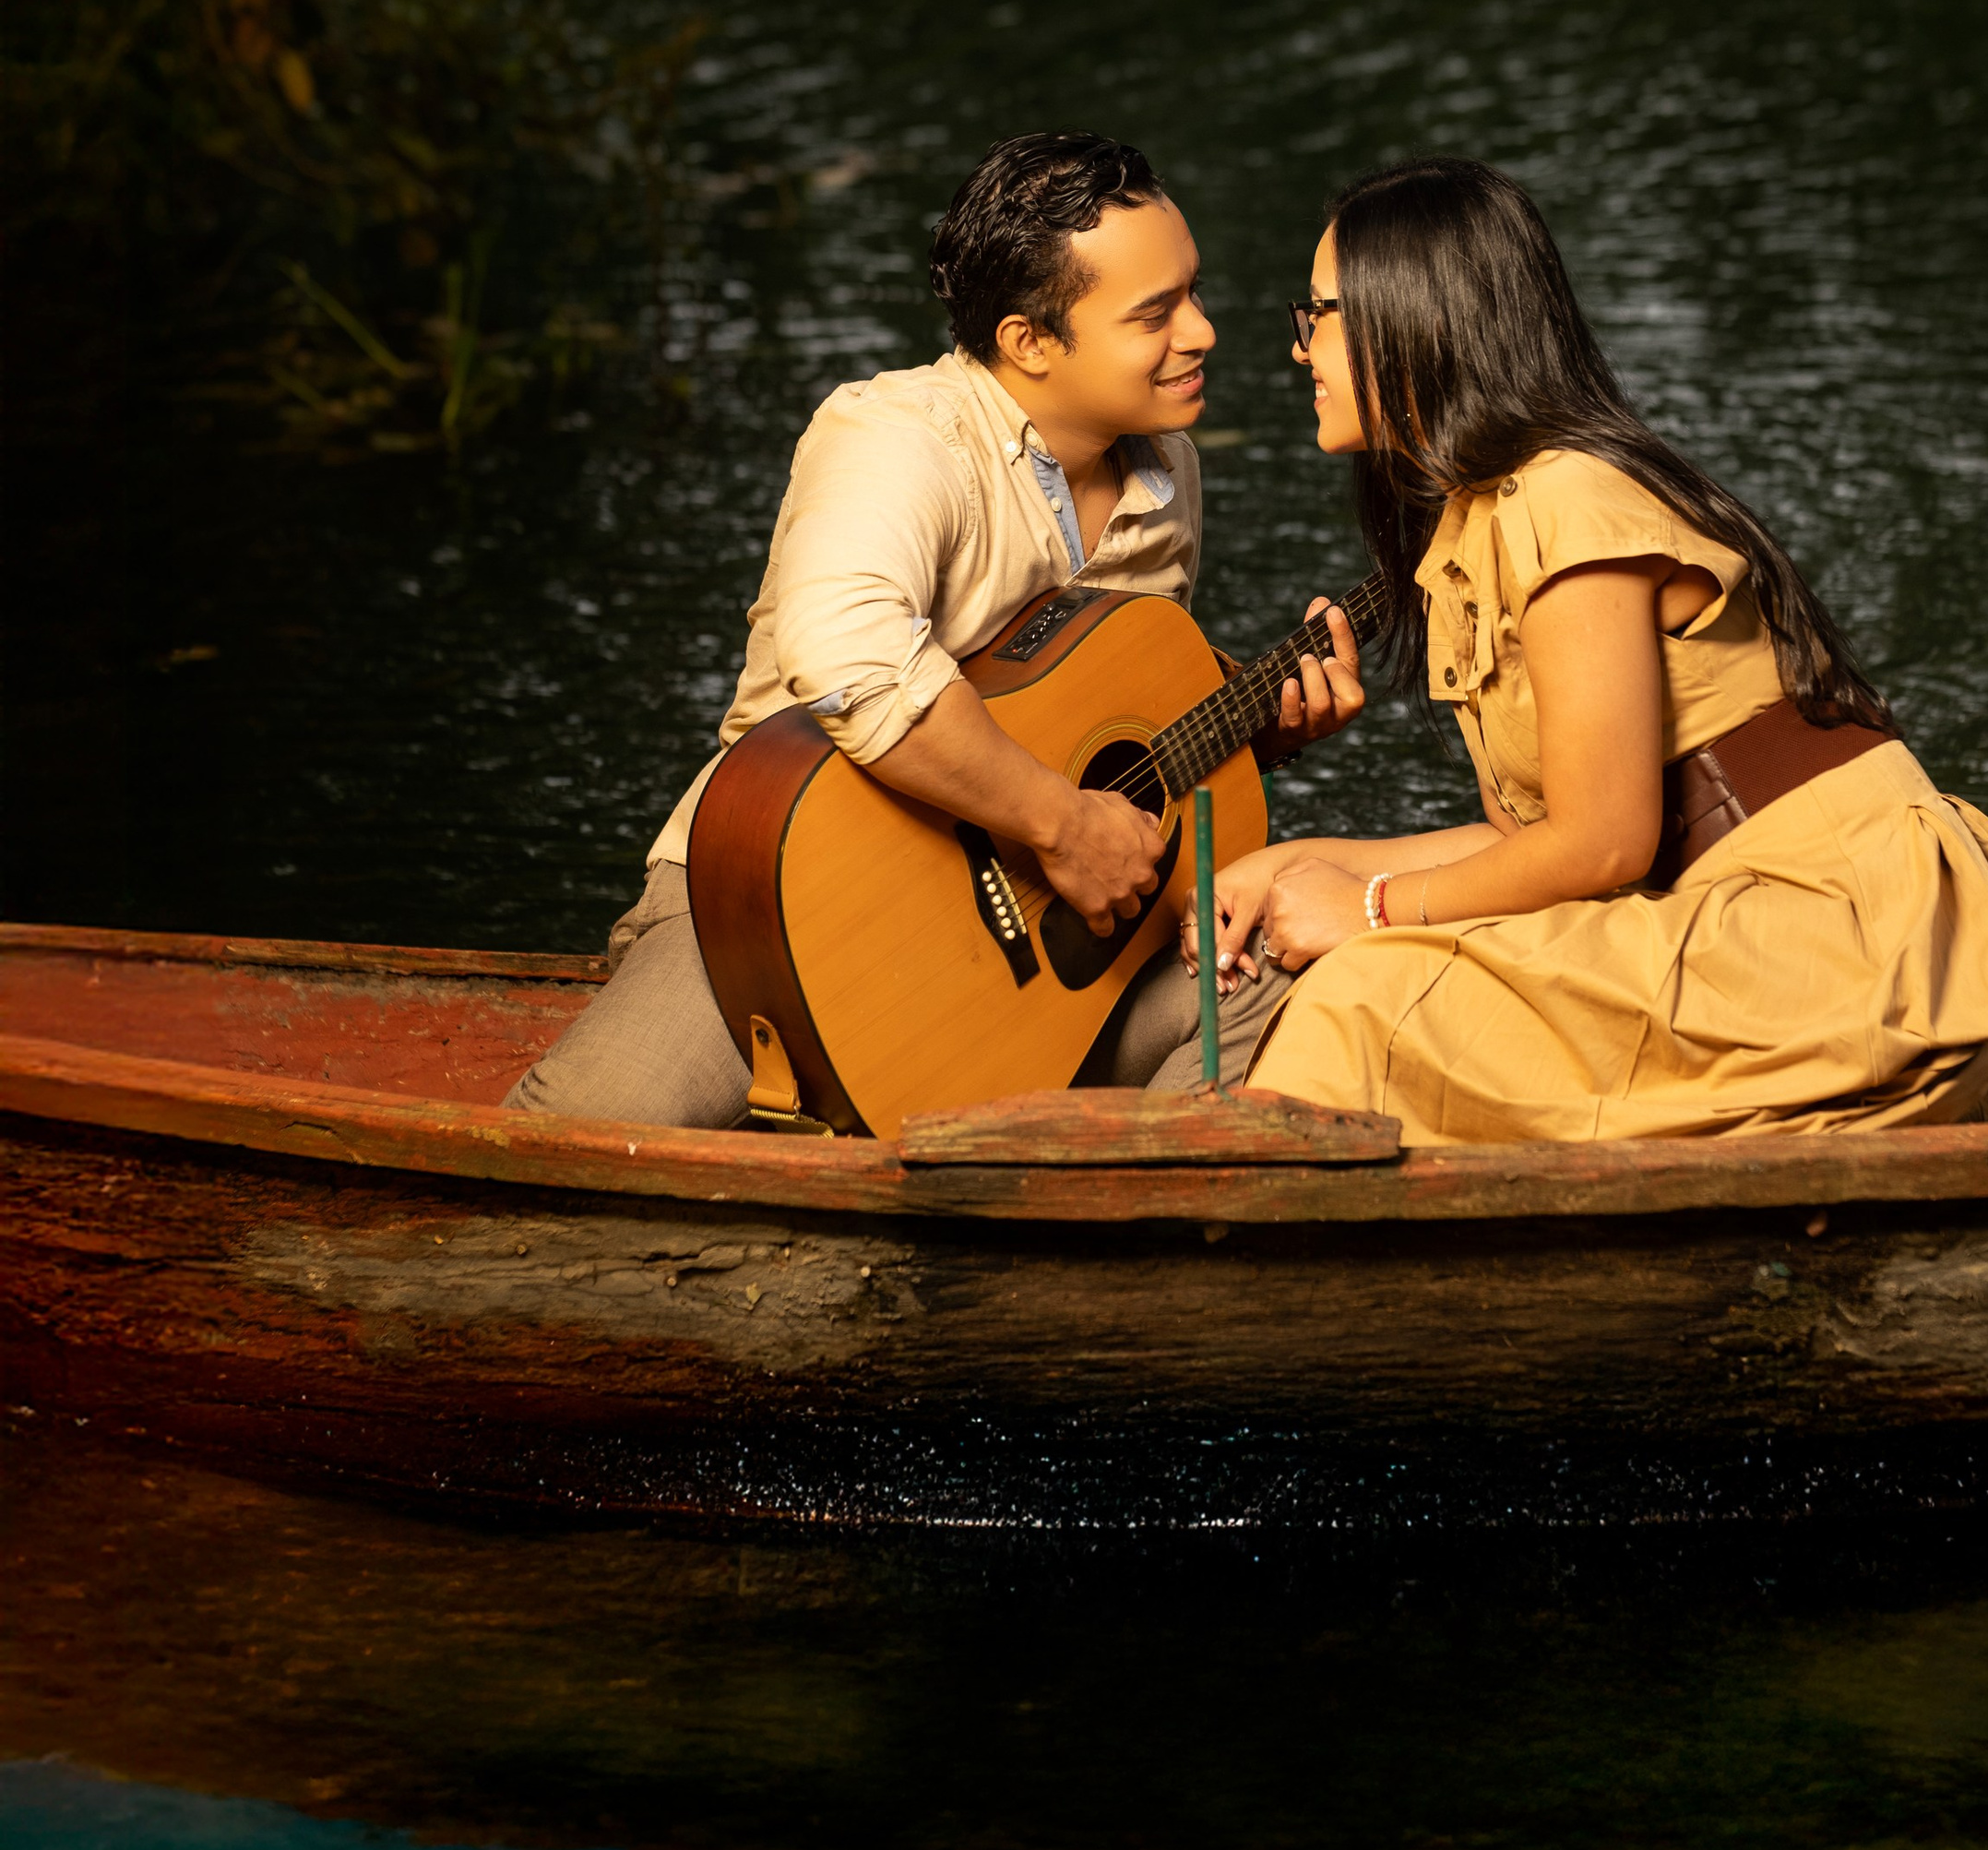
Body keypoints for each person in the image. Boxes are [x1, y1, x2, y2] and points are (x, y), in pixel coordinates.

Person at [1184, 157, 1988, 1142]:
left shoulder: (1563, 497)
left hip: (1847, 939)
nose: (1300, 350)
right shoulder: (1479, 519)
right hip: (1740, 913)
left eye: (1319, 315)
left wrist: (1373, 908)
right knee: (1369, 981)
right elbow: (1538, 847)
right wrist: (1306, 864)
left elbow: (1603, 843)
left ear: (1411, 313)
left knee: (1365, 1000)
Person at [508, 131, 1363, 1128]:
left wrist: (1257, 731)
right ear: (1028, 342)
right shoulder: (893, 437)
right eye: (1154, 314)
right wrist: (1058, 821)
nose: (1203, 332)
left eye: (1194, 293)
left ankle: (1112, 1212)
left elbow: (1112, 704)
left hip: (1031, 966)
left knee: (1292, 968)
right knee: (570, 1146)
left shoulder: (1167, 463)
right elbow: (848, 657)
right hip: (791, 899)